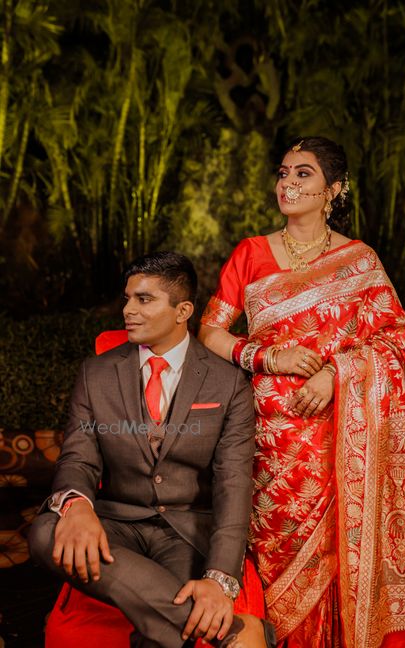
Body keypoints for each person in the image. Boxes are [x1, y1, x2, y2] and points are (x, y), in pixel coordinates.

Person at [198, 136, 405, 648]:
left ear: (334, 190)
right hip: (270, 440)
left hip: (339, 442)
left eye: (304, 174)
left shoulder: (360, 261)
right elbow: (210, 331)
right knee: (272, 553)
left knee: (339, 553)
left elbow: (399, 346)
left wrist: (337, 373)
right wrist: (265, 357)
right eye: (284, 173)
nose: (289, 184)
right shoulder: (250, 253)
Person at [28, 251, 276, 648]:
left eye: (144, 299)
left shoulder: (227, 383)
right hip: (117, 522)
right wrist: (77, 506)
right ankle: (230, 634)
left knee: (158, 635)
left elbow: (233, 484)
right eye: (128, 298)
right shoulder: (96, 373)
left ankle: (177, 626)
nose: (128, 310)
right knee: (46, 531)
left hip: (186, 530)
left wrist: (218, 580)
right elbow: (78, 457)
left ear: (183, 311)